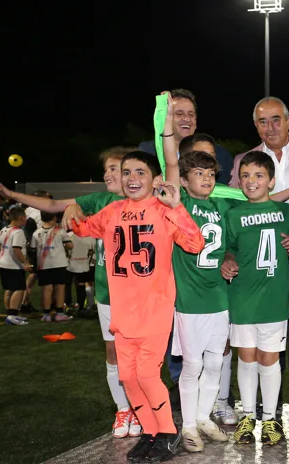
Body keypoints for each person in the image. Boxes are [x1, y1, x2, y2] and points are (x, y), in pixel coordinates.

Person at [0, 146, 142, 438]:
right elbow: (53, 205)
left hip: (142, 294)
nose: (108, 173)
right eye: (107, 168)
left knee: (141, 357)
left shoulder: (149, 201)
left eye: (115, 168)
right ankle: (123, 411)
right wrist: (12, 194)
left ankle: (142, 409)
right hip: (109, 293)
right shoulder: (100, 199)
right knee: (113, 353)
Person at [70, 150, 205, 462]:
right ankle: (150, 431)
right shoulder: (112, 210)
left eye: (140, 172)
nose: (132, 178)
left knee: (146, 376)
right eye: (127, 172)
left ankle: (169, 433)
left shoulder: (164, 210)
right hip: (123, 312)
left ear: (155, 179)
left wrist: (178, 207)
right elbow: (81, 228)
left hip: (154, 310)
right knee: (128, 377)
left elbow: (195, 244)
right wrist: (72, 208)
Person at [228, 95, 289, 415]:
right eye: (262, 121)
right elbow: (243, 207)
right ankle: (261, 404)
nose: (270, 126)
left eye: (276, 119)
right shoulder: (244, 160)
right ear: (255, 126)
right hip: (257, 260)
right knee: (258, 337)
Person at [221, 151, 289, 446]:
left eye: (258, 175)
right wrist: (227, 260)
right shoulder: (233, 213)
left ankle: (269, 418)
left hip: (273, 297)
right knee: (247, 358)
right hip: (242, 296)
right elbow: (229, 248)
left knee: (269, 360)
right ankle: (247, 416)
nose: (250, 181)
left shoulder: (286, 212)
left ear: (271, 180)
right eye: (245, 175)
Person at [165, 147, 239, 452]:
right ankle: (189, 426)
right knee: (192, 366)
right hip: (190, 300)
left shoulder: (222, 206)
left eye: (211, 174)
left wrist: (229, 259)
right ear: (183, 180)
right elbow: (171, 162)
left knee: (215, 363)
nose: (206, 179)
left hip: (218, 297)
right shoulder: (178, 205)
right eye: (198, 174)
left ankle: (203, 416)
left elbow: (230, 244)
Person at [138, 88, 234, 184]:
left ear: (196, 122)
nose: (187, 119)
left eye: (191, 115)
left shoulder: (220, 155)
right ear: (165, 118)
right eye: (179, 114)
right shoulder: (147, 153)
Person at [31, 211, 73, 321]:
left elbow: (33, 249)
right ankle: (59, 313)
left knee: (46, 288)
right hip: (59, 263)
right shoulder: (60, 231)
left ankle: (46, 314)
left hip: (43, 264)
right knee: (60, 287)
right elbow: (70, 245)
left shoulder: (36, 233)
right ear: (54, 218)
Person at [0, 207, 31, 326]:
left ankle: (11, 314)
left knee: (9, 289)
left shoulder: (3, 229)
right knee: (19, 289)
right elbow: (16, 248)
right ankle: (12, 316)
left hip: (3, 263)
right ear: (22, 218)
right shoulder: (18, 231)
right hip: (13, 265)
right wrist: (25, 263)